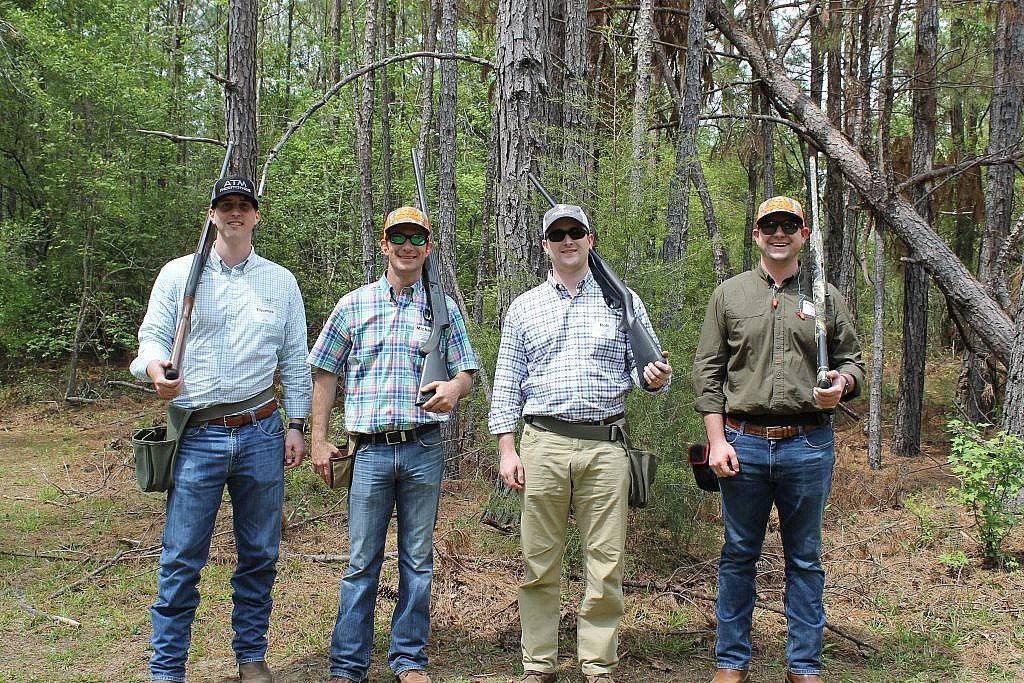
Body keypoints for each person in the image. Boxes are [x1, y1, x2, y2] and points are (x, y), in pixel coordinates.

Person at [131, 175, 312, 683]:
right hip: (197, 435)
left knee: (259, 554)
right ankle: (167, 669)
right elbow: (150, 341)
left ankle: (250, 656)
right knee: (182, 558)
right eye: (226, 206)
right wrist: (155, 373)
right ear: (212, 214)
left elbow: (296, 360)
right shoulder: (178, 275)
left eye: (243, 206)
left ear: (256, 215)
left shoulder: (280, 281)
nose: (235, 213)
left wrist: (296, 424)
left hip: (261, 430)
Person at [488, 204, 673, 683]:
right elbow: (508, 383)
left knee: (606, 562)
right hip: (543, 444)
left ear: (591, 240)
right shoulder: (525, 306)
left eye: (576, 232)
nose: (567, 241)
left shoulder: (623, 302)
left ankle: (597, 663)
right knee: (538, 560)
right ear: (545, 245)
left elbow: (646, 372)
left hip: (605, 446)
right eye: (558, 234)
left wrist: (654, 376)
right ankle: (538, 664)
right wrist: (507, 449)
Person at [692, 195, 865, 683]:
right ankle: (731, 663)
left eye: (790, 225)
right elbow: (707, 373)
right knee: (738, 553)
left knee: (805, 557)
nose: (779, 233)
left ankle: (804, 666)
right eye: (770, 225)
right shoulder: (730, 295)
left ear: (803, 234)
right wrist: (717, 439)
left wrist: (842, 387)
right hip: (741, 441)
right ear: (756, 235)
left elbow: (855, 364)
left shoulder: (824, 296)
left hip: (808, 444)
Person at [307, 206, 479, 683]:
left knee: (417, 561)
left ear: (428, 247)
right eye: (398, 237)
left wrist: (454, 388)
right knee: (362, 561)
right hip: (371, 452)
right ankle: (347, 664)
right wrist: (319, 439)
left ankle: (408, 660)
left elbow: (468, 371)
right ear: (384, 244)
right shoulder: (354, 305)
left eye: (416, 237)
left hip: (424, 448)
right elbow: (323, 371)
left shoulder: (442, 307)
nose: (407, 245)